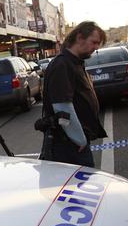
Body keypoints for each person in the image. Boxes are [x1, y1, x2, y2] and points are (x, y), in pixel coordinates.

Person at [39, 21, 108, 167]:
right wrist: (79, 139)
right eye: (94, 42)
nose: (95, 48)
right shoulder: (62, 65)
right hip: (69, 145)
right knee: (78, 187)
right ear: (79, 37)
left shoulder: (75, 63)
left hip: (73, 142)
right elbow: (63, 107)